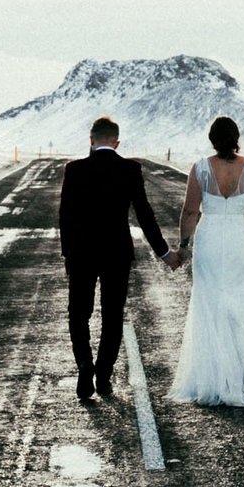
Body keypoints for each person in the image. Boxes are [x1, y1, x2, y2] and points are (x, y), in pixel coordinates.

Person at [57, 115, 167, 404]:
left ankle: (84, 364)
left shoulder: (75, 169)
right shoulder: (130, 169)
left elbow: (65, 215)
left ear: (91, 140)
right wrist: (164, 252)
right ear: (116, 142)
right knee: (112, 314)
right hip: (116, 252)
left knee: (78, 313)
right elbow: (144, 214)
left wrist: (67, 252)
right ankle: (104, 375)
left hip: (81, 252)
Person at [168, 114, 244, 407]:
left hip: (210, 238)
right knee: (240, 304)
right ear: (237, 139)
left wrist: (184, 246)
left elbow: (189, 212)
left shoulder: (201, 169)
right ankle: (241, 376)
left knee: (209, 302)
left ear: (213, 140)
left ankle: (212, 377)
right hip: (239, 238)